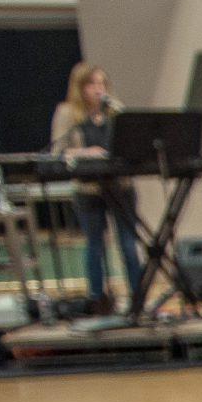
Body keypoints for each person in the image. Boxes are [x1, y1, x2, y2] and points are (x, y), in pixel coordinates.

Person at [47, 62, 143, 315]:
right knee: (95, 244)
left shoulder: (115, 111)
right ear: (80, 88)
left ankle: (138, 297)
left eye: (102, 83)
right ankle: (97, 298)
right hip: (89, 188)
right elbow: (58, 150)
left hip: (119, 187)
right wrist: (85, 152)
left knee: (128, 245)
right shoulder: (68, 113)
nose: (98, 89)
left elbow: (131, 142)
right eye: (92, 84)